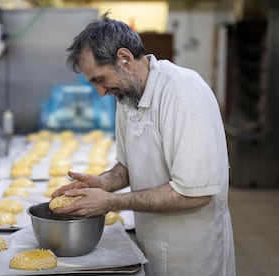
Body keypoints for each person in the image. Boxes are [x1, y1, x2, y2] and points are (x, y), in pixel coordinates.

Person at [52, 13, 236, 276]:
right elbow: (127, 166)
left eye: (100, 80)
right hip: (150, 243)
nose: (100, 92)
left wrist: (110, 203)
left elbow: (194, 193)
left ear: (125, 59)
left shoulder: (183, 92)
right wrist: (102, 183)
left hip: (193, 254)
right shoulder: (128, 97)